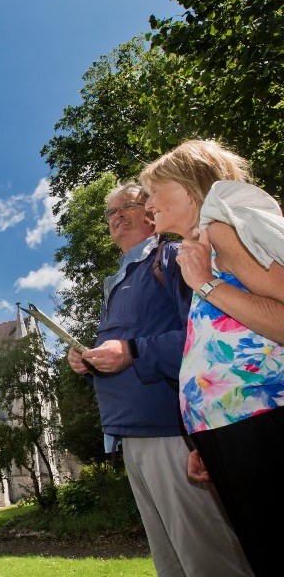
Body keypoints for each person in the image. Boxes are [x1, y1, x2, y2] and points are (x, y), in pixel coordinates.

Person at [67, 181, 251, 577]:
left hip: (168, 428)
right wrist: (90, 360)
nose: (116, 216)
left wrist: (131, 351)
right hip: (128, 433)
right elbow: (124, 347)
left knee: (206, 557)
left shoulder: (173, 260)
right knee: (169, 562)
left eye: (126, 207)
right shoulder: (118, 279)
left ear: (152, 212)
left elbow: (203, 335)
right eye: (111, 212)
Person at [141, 139, 284, 577]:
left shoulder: (222, 232)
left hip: (261, 422)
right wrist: (201, 434)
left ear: (188, 189)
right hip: (229, 428)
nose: (147, 203)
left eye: (153, 190)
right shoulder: (202, 245)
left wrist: (203, 282)